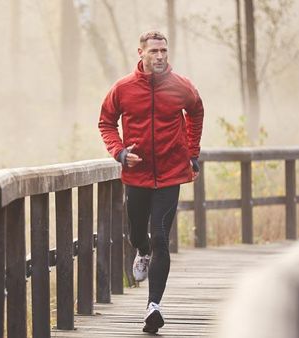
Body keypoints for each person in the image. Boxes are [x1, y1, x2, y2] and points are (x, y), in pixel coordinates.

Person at [98, 30, 204, 333]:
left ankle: (153, 306)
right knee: (138, 233)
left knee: (160, 236)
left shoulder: (181, 87)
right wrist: (119, 152)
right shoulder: (123, 89)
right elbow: (106, 121)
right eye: (154, 51)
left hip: (172, 174)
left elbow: (196, 112)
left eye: (163, 51)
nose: (159, 56)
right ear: (140, 53)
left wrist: (192, 152)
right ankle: (140, 251)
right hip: (137, 175)